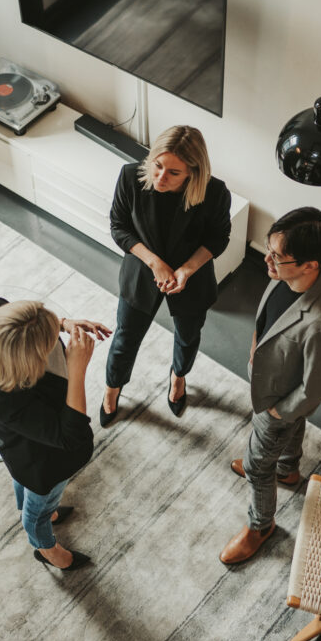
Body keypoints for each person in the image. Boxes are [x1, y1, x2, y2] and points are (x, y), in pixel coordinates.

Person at [219, 207, 321, 564]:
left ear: (310, 265)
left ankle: (260, 527)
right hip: (275, 376)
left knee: (258, 466)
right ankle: (288, 470)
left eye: (277, 256)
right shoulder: (301, 269)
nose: (267, 259)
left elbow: (315, 388)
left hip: (278, 400)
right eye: (269, 248)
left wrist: (278, 410)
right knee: (287, 433)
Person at [101, 125, 232, 425]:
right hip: (142, 271)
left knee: (187, 338)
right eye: (157, 166)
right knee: (125, 338)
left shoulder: (214, 193)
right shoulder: (130, 177)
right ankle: (112, 389)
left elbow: (218, 238)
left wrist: (186, 269)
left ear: (193, 172)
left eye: (174, 173)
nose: (160, 177)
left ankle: (178, 378)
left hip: (192, 276)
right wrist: (154, 263)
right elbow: (118, 226)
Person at [0, 298, 108, 570]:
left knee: (25, 485)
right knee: (37, 509)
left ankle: (42, 510)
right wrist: (77, 368)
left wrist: (61, 324)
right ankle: (46, 548)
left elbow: (17, 321)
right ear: (27, 363)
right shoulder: (7, 401)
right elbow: (72, 435)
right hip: (41, 462)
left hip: (17, 447)